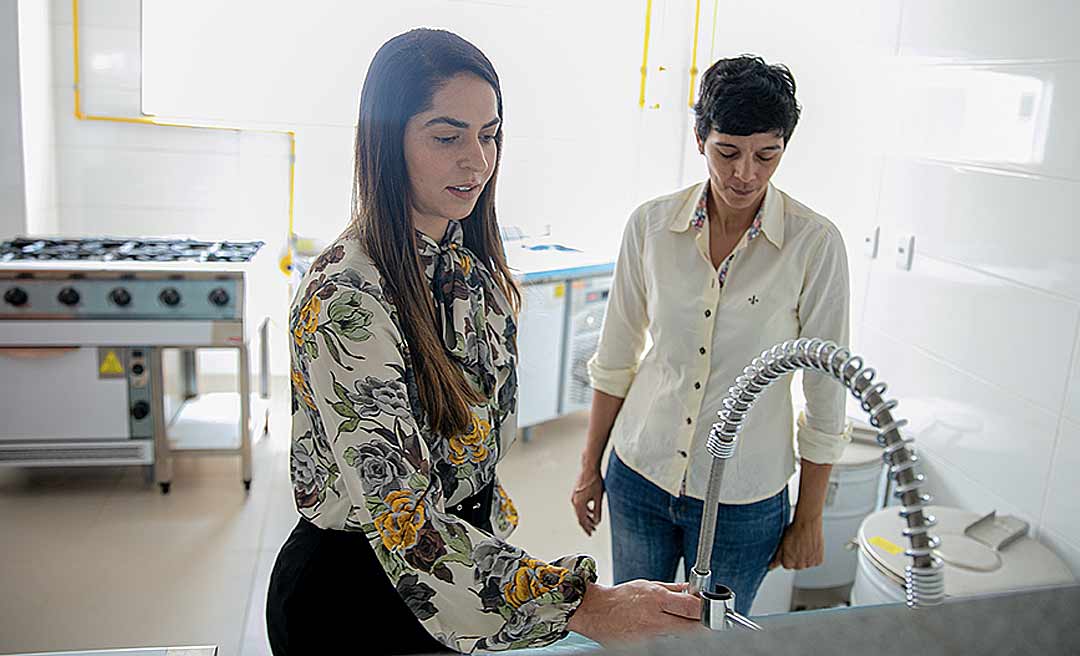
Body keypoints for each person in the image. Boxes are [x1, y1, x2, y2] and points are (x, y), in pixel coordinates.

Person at [266, 28, 701, 655]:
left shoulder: (469, 266)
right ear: (387, 141)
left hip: (456, 580)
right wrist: (584, 605)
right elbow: (402, 516)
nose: (477, 160)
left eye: (489, 135)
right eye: (447, 137)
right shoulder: (347, 294)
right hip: (356, 598)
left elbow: (471, 463)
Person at [572, 55, 852, 615]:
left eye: (766, 155)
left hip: (743, 498)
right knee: (638, 631)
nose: (745, 173)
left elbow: (826, 393)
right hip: (641, 473)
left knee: (713, 639)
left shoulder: (814, 244)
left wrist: (810, 516)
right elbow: (617, 356)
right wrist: (589, 467)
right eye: (728, 152)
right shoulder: (651, 226)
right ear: (700, 139)